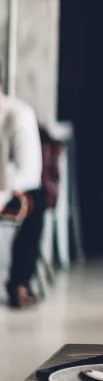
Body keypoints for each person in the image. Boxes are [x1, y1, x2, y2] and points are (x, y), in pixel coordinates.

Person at [0, 86, 45, 309]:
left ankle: (19, 283)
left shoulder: (18, 113)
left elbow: (28, 173)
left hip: (14, 191)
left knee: (36, 202)